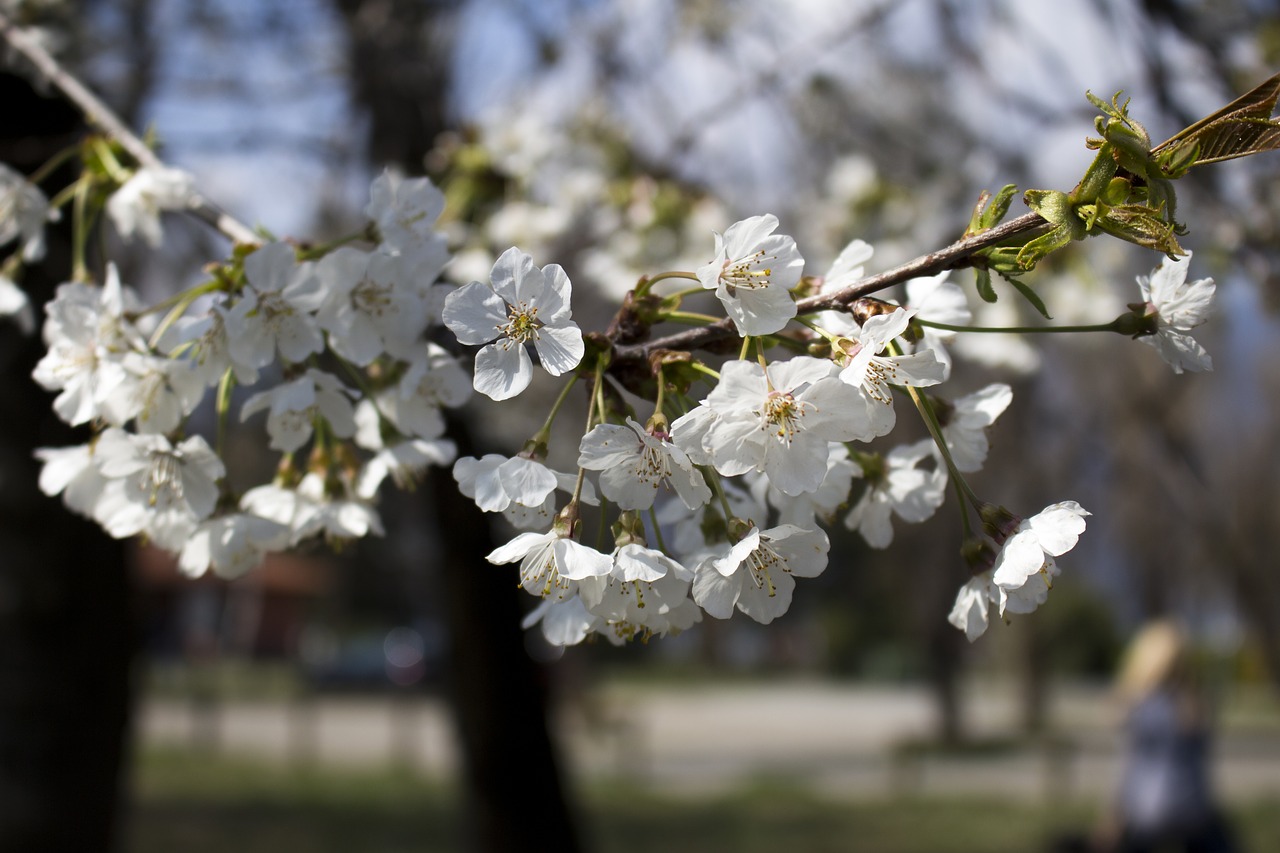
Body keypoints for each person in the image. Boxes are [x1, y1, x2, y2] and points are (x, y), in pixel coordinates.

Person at [1095, 620, 1238, 853]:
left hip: (1147, 809)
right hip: (1193, 807)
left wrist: (1112, 818)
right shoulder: (1193, 705)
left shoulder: (1140, 706)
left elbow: (1131, 766)